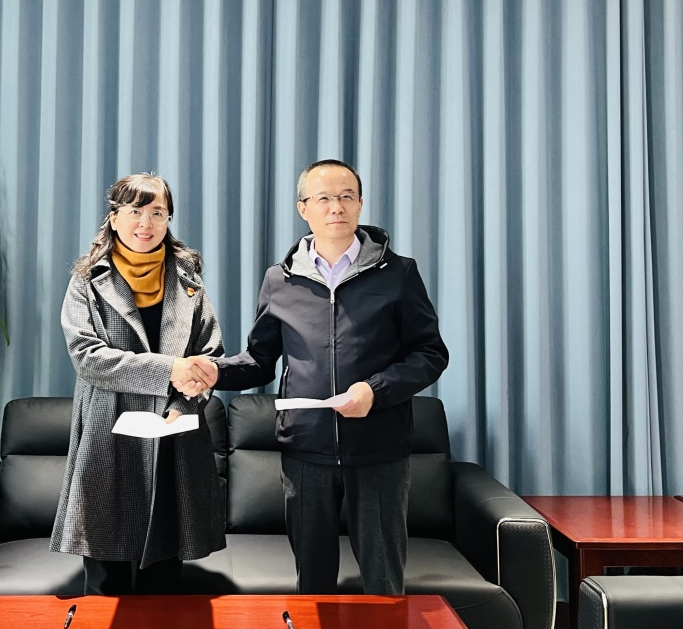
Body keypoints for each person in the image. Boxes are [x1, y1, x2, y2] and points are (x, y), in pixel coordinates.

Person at [176, 159, 449, 595]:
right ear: (303, 208)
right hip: (306, 452)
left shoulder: (398, 273)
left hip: (379, 450)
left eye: (345, 196)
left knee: (383, 586)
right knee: (313, 587)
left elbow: (430, 353)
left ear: (360, 204)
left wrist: (374, 391)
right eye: (323, 198)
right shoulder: (279, 280)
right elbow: (260, 360)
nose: (335, 207)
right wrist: (215, 370)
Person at [50, 173, 226, 595]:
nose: (146, 223)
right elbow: (87, 358)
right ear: (114, 218)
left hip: (172, 433)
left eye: (157, 213)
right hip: (108, 432)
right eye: (134, 211)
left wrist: (184, 406)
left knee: (164, 581)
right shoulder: (88, 278)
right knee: (104, 584)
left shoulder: (188, 279)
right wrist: (169, 369)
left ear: (168, 220)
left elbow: (210, 356)